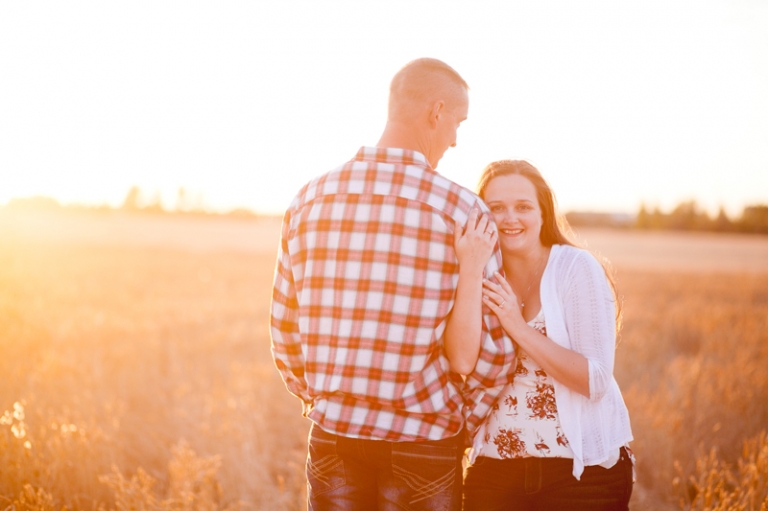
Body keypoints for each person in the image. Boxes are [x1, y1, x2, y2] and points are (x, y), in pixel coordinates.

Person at [269, 58, 516, 511]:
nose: (456, 139)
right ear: (436, 112)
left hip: (335, 433)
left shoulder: (308, 200)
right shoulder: (463, 211)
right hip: (423, 438)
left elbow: (284, 332)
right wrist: (461, 421)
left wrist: (326, 400)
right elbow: (495, 348)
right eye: (457, 123)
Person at [446, 160, 634, 510]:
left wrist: (516, 326)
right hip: (496, 467)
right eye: (496, 208)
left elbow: (595, 380)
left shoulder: (576, 268)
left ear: (543, 213)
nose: (510, 218)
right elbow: (460, 360)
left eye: (523, 207)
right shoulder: (478, 272)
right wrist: (470, 269)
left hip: (581, 474)